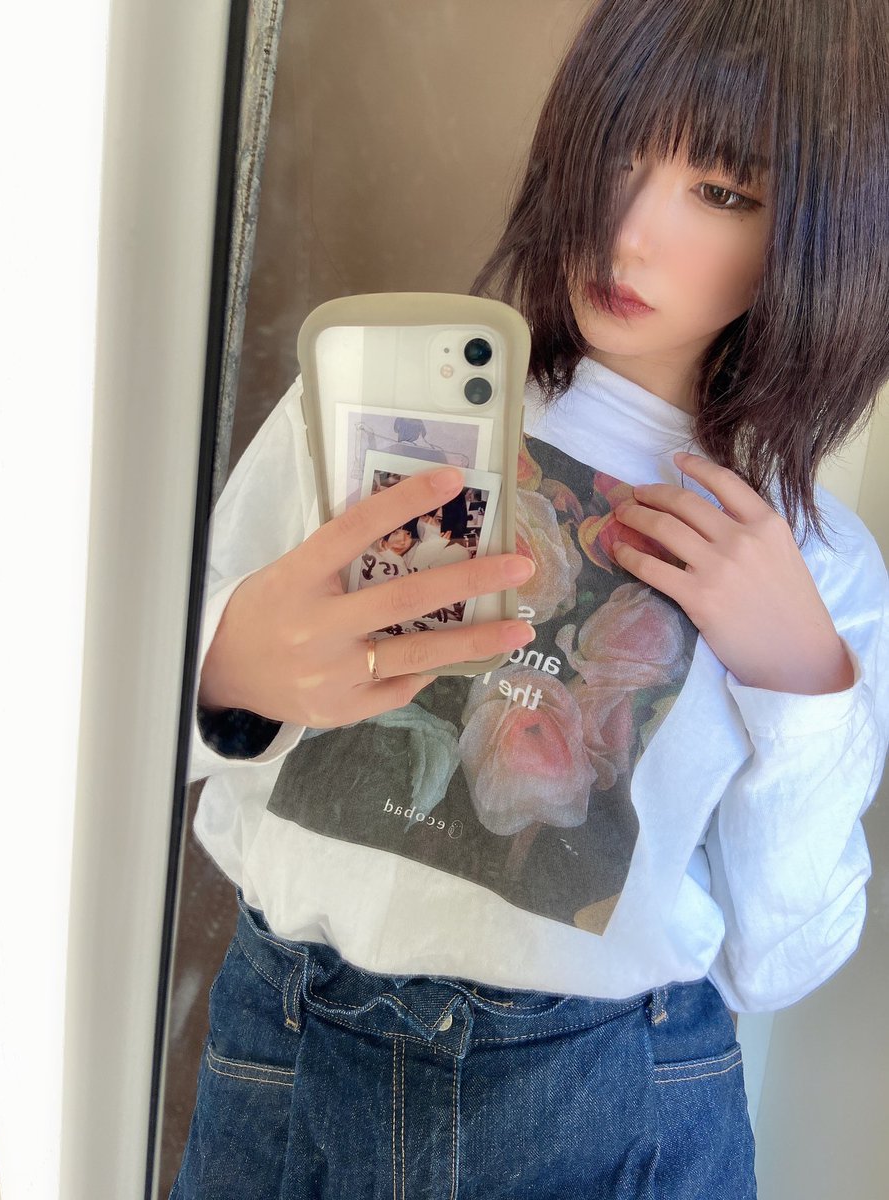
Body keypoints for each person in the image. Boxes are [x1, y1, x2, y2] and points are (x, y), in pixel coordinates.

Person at [170, 2, 889, 1197]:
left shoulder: (811, 558)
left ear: (815, 233)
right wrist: (226, 671)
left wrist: (803, 686)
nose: (629, 231)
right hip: (291, 1056)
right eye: (618, 151)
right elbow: (125, 736)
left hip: (611, 1104)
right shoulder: (363, 406)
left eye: (722, 192)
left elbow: (781, 961)